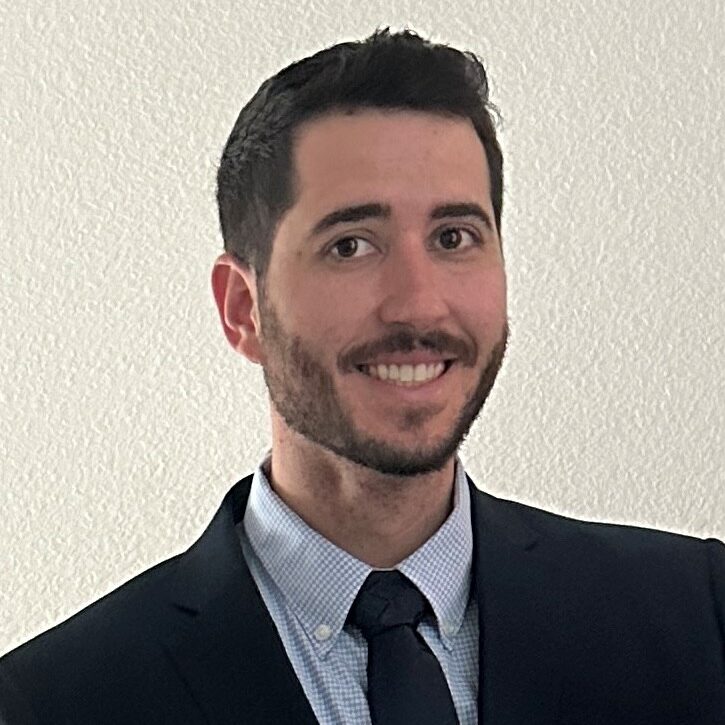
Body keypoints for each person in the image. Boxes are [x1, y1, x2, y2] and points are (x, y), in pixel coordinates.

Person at [0, 27, 723, 725]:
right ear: (243, 308)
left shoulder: (700, 616)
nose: (418, 304)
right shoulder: (53, 701)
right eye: (350, 245)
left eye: (454, 237)